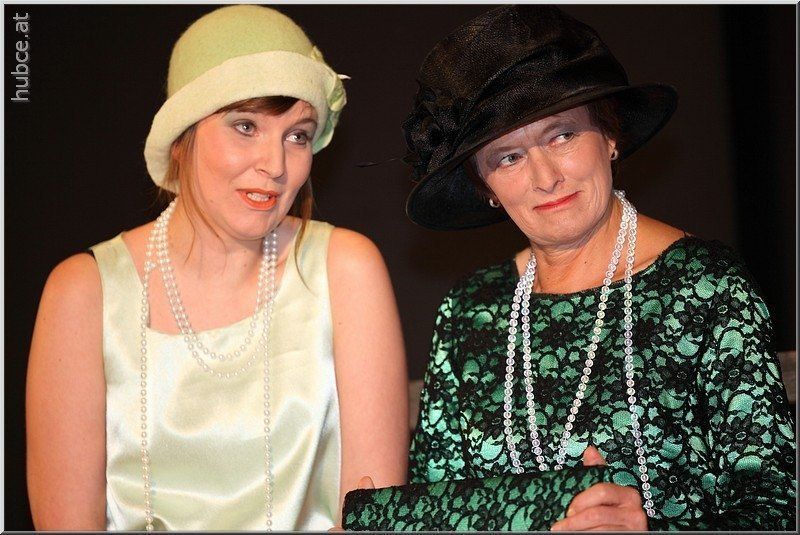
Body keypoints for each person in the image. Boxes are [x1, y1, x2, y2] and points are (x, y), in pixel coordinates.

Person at [401, 5, 795, 530]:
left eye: (561, 135)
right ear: (486, 187)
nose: (545, 177)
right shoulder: (471, 311)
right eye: (508, 157)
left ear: (610, 137)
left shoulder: (705, 286)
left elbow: (776, 509)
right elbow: (439, 511)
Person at [26, 5, 408, 531]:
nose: (275, 165)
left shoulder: (344, 269)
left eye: (297, 135)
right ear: (182, 136)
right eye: (245, 126)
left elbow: (374, 516)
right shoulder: (84, 291)